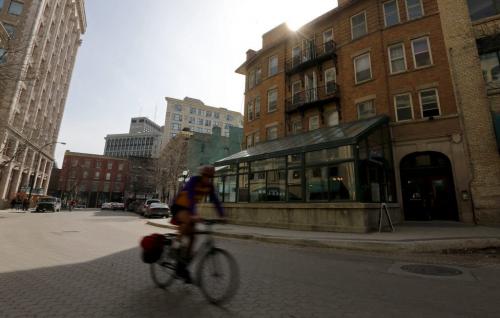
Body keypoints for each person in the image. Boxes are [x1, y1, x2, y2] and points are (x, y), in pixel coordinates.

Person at [170, 165, 224, 283]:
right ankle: (175, 244)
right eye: (205, 176)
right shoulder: (194, 180)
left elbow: (215, 200)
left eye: (210, 177)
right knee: (188, 220)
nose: (207, 179)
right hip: (179, 206)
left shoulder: (209, 186)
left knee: (193, 237)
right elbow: (190, 196)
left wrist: (222, 215)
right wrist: (194, 214)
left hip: (189, 210)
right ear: (202, 175)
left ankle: (182, 267)